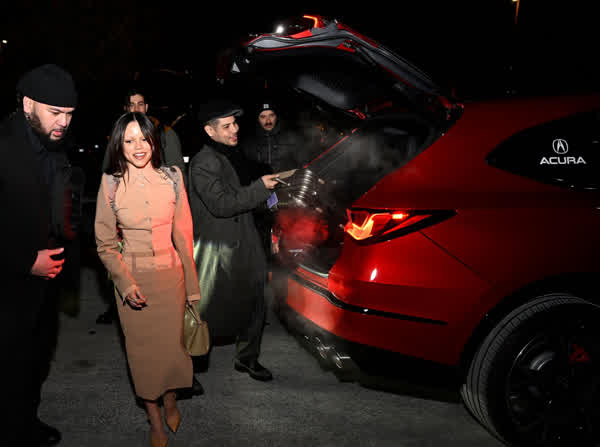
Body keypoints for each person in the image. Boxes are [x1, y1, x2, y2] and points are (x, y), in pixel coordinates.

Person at [94, 112, 200, 447]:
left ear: (154, 140)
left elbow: (184, 236)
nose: (138, 147)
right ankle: (154, 418)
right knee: (142, 357)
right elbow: (105, 244)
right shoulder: (111, 183)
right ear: (119, 144)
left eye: (143, 138)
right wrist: (125, 284)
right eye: (129, 140)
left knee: (172, 351)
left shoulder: (173, 178)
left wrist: (193, 289)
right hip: (134, 283)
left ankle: (170, 400)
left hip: (172, 280)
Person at [0, 63, 77, 446]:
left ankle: (25, 423)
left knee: (34, 361)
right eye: (55, 112)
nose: (64, 122)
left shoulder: (52, 146)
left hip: (45, 283)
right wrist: (26, 260)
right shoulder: (4, 145)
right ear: (28, 104)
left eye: (70, 114)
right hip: (9, 283)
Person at [188, 99, 281, 381]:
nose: (235, 129)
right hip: (215, 247)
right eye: (227, 126)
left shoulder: (234, 154)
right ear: (210, 131)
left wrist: (271, 198)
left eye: (235, 123)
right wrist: (260, 188)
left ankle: (247, 358)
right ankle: (191, 366)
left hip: (246, 239)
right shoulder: (204, 162)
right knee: (206, 309)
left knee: (255, 301)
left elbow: (245, 196)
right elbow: (222, 204)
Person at [97, 84, 186, 326]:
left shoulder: (165, 134)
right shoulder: (118, 135)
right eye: (131, 105)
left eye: (140, 104)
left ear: (146, 107)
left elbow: (179, 178)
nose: (136, 109)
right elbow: (108, 170)